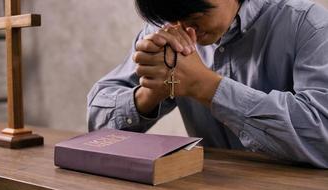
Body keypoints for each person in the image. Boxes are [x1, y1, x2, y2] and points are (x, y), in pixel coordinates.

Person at [87, 0, 328, 168]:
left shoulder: (307, 25)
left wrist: (207, 86)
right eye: (173, 18)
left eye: (195, 16)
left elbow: (322, 136)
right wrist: (151, 93)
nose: (184, 30)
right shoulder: (164, 30)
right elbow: (97, 126)